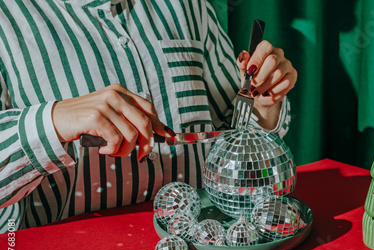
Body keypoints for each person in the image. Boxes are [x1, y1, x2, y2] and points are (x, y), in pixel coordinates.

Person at [0, 0, 297, 232]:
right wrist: (51, 123)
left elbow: (234, 128)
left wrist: (264, 103)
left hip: (210, 246)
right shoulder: (6, 21)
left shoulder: (190, 5)